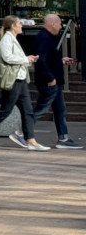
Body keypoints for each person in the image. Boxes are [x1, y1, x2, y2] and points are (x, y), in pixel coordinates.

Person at [0, 16, 49, 151]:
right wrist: (26, 59)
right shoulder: (6, 39)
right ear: (13, 26)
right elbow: (7, 57)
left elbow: (15, 58)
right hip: (12, 81)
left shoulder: (13, 39)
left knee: (28, 111)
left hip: (20, 80)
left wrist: (28, 59)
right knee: (5, 110)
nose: (21, 26)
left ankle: (31, 141)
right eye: (19, 23)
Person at [18, 14, 82, 149]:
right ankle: (21, 132)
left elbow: (46, 58)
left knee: (60, 109)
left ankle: (63, 139)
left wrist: (60, 60)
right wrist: (50, 78)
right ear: (53, 24)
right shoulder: (44, 38)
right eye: (59, 24)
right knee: (42, 108)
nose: (60, 27)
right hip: (49, 82)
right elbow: (40, 60)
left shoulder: (46, 38)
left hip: (53, 81)